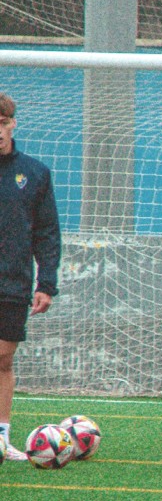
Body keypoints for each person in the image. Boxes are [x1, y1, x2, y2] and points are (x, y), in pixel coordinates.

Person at [0, 93, 60, 462]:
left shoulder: (34, 173)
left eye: (3, 124)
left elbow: (47, 232)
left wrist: (47, 282)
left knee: (4, 359)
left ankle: (2, 436)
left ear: (12, 124)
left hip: (13, 282)